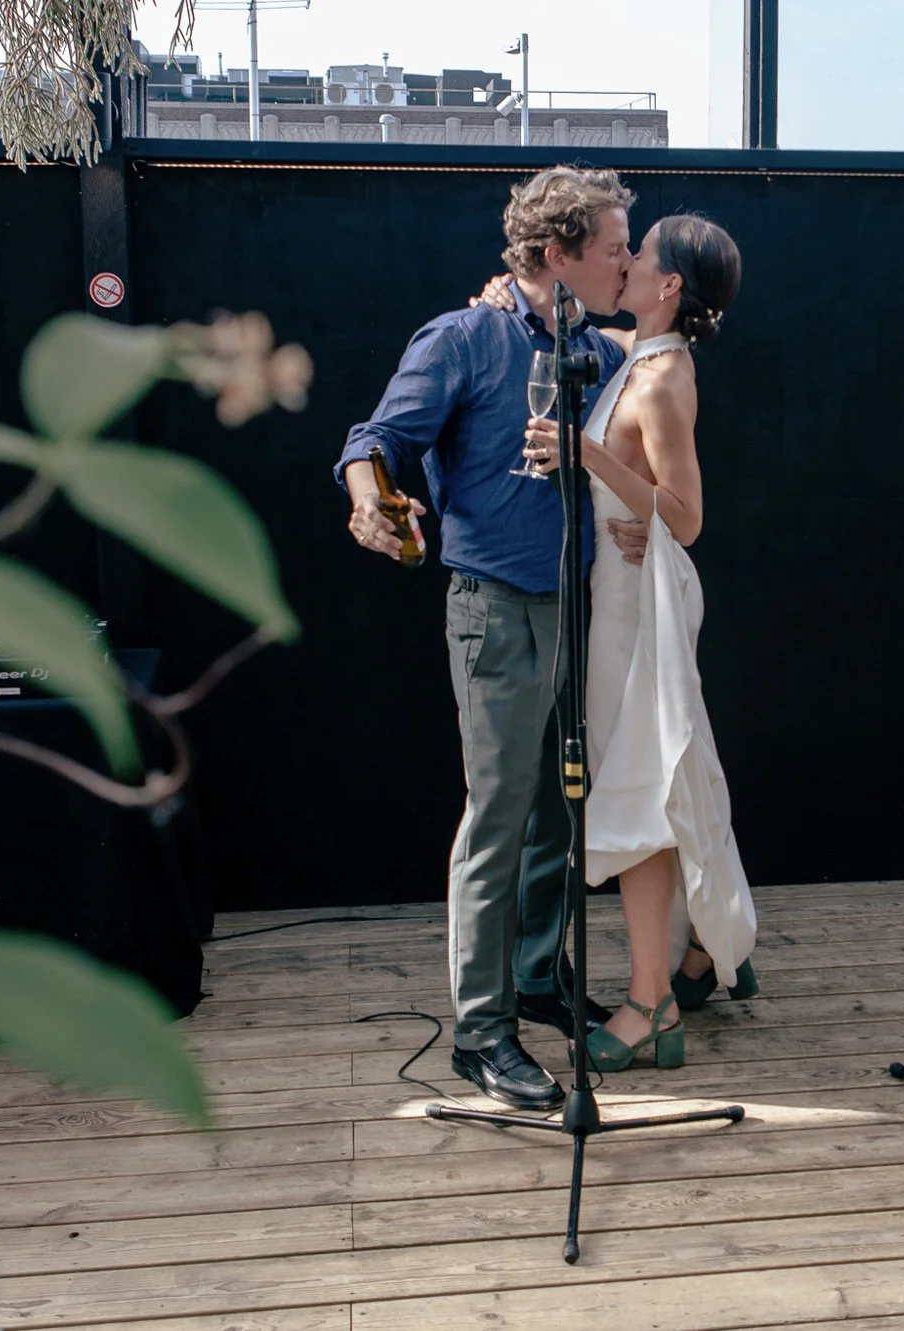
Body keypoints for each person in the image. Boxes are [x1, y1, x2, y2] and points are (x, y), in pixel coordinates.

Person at [338, 166, 648, 1111]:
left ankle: (536, 978)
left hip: (573, 600)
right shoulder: (463, 338)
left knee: (560, 809)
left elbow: (659, 338)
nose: (627, 263)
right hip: (495, 607)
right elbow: (372, 440)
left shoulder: (591, 342)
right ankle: (481, 1032)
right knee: (500, 818)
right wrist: (369, 505)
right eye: (612, 250)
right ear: (559, 254)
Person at [507, 212, 754, 1071]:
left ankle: (652, 998)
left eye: (640, 254)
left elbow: (685, 518)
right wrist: (507, 294)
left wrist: (584, 455)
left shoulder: (660, 379)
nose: (628, 263)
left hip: (637, 609)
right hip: (617, 593)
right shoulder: (640, 350)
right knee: (666, 776)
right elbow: (600, 323)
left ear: (671, 285)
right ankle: (710, 946)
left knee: (644, 791)